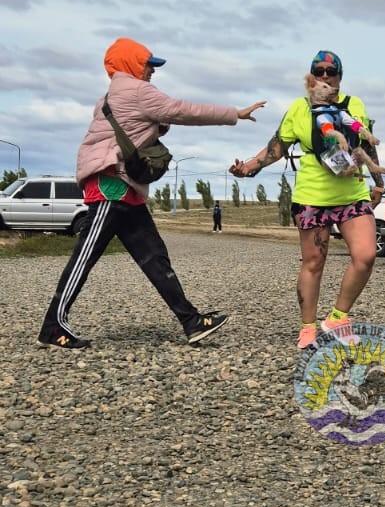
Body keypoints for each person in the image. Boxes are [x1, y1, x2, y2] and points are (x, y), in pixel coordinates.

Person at [38, 37, 264, 350]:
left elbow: (149, 123)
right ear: (131, 63)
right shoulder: (136, 90)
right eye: (148, 65)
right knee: (84, 258)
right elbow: (181, 110)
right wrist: (233, 114)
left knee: (155, 258)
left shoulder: (113, 95)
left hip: (126, 189)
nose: (152, 71)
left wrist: (160, 124)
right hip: (110, 186)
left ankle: (191, 321)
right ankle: (52, 326)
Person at [230, 49, 377, 349]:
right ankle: (308, 327)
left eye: (330, 71)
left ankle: (337, 318)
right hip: (312, 194)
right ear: (311, 77)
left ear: (339, 76)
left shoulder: (355, 104)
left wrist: (379, 181)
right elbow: (276, 148)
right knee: (313, 262)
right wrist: (248, 168)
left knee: (365, 256)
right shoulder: (298, 108)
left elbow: (367, 144)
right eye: (318, 71)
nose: (324, 76)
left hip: (352, 193)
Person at [305, 70, 385, 184]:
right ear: (312, 89)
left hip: (346, 152)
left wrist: (367, 134)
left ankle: (373, 167)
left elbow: (351, 122)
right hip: (330, 154)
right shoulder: (320, 114)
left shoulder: (335, 110)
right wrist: (340, 137)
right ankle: (346, 171)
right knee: (333, 154)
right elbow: (327, 130)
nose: (331, 89)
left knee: (358, 151)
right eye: (325, 87)